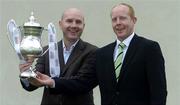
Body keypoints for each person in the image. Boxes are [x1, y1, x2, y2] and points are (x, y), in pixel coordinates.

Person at [34, 3, 167, 105]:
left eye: (123, 18)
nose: (118, 23)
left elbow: (159, 92)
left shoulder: (149, 48)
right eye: (114, 19)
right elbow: (83, 82)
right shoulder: (103, 53)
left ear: (134, 20)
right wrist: (52, 82)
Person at [19, 8, 97, 105]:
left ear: (83, 26)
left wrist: (52, 82)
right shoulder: (46, 50)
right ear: (60, 24)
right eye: (69, 21)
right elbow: (32, 85)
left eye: (78, 22)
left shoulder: (93, 51)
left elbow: (81, 83)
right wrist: (26, 74)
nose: (74, 25)